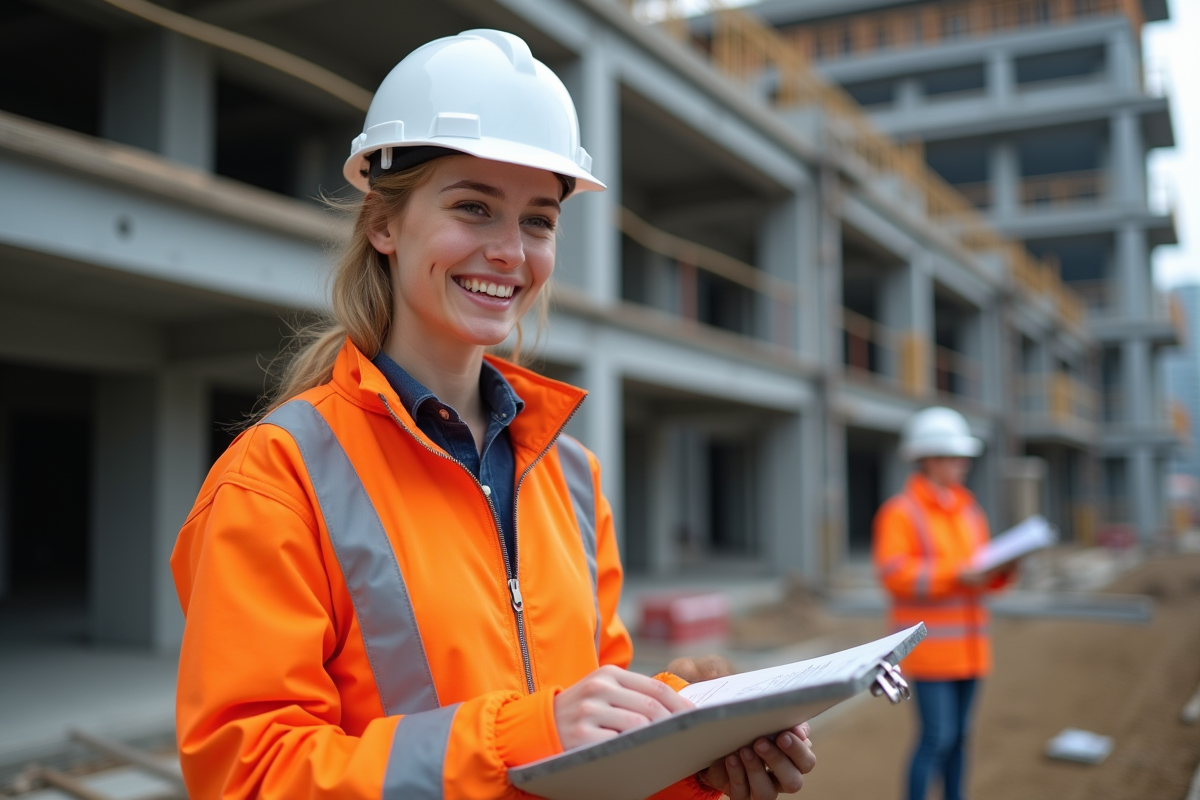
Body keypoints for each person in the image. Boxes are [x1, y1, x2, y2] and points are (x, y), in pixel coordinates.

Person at [170, 29, 815, 800]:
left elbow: (592, 753)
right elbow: (247, 774)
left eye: (538, 220)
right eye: (474, 208)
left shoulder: (571, 477)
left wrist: (692, 755)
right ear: (383, 224)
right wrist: (522, 735)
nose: (511, 251)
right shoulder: (278, 478)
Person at [872, 407, 1016, 800]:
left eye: (963, 458)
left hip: (971, 650)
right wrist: (955, 574)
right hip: (931, 652)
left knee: (961, 738)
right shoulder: (900, 513)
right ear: (929, 459)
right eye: (955, 458)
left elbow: (982, 577)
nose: (963, 465)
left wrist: (1004, 569)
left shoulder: (969, 511)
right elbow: (893, 573)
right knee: (937, 738)